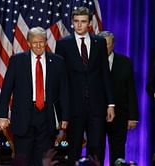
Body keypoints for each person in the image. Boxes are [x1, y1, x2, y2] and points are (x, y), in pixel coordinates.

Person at [0, 27, 70, 166]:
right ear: (28, 43)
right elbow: (6, 89)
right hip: (23, 116)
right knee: (23, 160)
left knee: (43, 160)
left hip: (47, 117)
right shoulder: (17, 61)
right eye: (34, 42)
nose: (38, 45)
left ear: (46, 42)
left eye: (41, 42)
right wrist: (2, 115)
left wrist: (64, 117)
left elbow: (63, 92)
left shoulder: (58, 61)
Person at [55, 7, 115, 165]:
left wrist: (110, 104)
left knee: (96, 148)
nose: (79, 25)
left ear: (89, 23)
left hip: (97, 105)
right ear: (72, 22)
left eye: (83, 22)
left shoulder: (99, 42)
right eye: (76, 22)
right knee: (73, 148)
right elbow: (60, 80)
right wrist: (62, 111)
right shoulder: (63, 44)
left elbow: (105, 75)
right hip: (74, 106)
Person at [98, 31, 139, 166]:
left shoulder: (125, 62)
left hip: (120, 116)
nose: (104, 49)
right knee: (96, 152)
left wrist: (133, 117)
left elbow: (131, 91)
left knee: (117, 153)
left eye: (108, 45)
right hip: (96, 116)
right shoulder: (91, 63)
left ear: (113, 45)